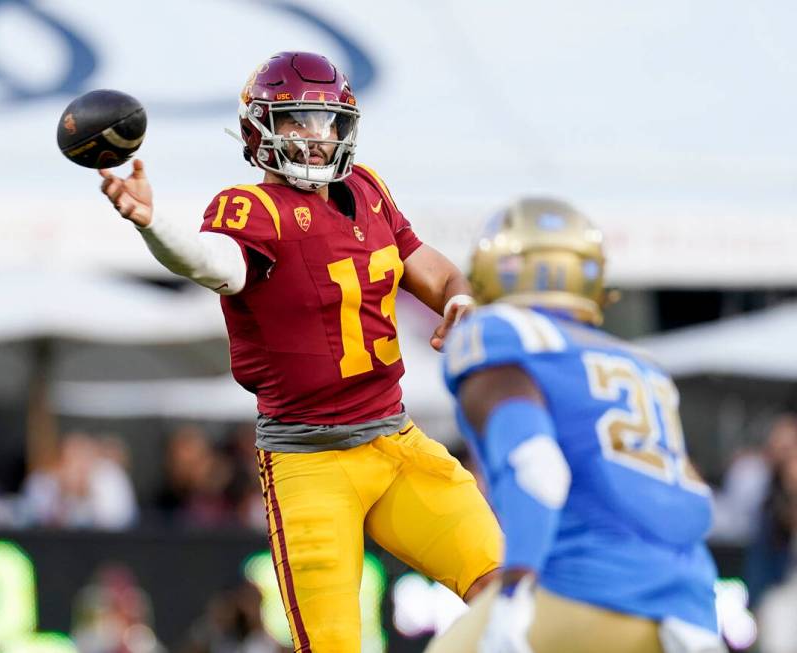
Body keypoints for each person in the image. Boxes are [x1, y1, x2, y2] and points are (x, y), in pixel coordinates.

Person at [96, 51, 501, 651]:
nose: (314, 138)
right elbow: (214, 264)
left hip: (396, 443)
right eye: (296, 122)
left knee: (510, 593)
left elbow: (437, 273)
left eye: (326, 121)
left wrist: (462, 305)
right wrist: (152, 223)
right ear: (260, 128)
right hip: (311, 464)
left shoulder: (367, 188)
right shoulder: (249, 207)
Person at [429, 198, 724, 653]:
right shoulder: (639, 364)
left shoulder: (499, 333)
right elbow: (693, 499)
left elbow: (537, 467)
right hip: (691, 606)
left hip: (584, 589)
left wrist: (513, 592)